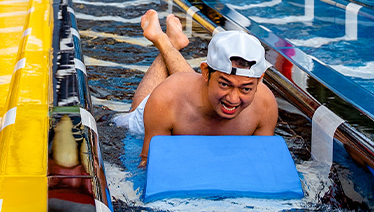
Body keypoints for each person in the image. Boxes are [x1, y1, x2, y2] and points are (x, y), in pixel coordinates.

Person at [119, 11, 278, 166]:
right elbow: (148, 166)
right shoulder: (166, 101)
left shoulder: (264, 105)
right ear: (205, 72)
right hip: (166, 106)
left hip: (194, 92)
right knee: (136, 111)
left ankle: (170, 42)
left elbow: (262, 165)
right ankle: (162, 39)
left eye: (246, 89)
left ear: (259, 80)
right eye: (224, 84)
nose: (233, 99)